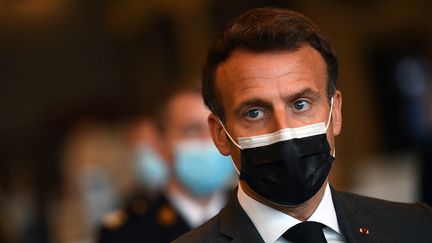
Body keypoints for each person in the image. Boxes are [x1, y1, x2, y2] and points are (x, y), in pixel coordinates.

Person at [173, 7, 432, 243]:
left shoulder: (416, 227)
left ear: (336, 112)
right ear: (220, 134)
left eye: (300, 104)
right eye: (254, 112)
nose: (284, 130)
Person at [98, 83, 236, 243]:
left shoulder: (253, 212)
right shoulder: (125, 234)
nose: (209, 139)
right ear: (160, 144)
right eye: (192, 129)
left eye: (218, 128)